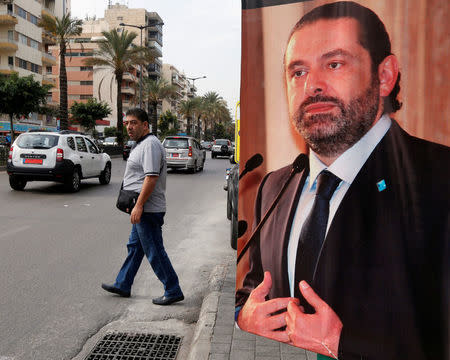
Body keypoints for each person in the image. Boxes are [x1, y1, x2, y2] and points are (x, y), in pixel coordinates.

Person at [235, 2, 449, 359]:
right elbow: (253, 289)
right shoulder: (274, 188)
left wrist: (343, 345)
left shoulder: (440, 181)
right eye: (297, 72)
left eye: (334, 64)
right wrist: (245, 318)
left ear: (384, 76)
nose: (313, 86)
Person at [102, 108, 184, 306]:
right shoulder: (140, 144)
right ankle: (123, 284)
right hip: (141, 208)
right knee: (135, 247)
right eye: (127, 122)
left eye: (134, 123)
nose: (129, 127)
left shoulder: (150, 145)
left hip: (148, 209)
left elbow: (151, 177)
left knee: (154, 250)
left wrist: (139, 206)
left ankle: (173, 289)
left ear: (145, 125)